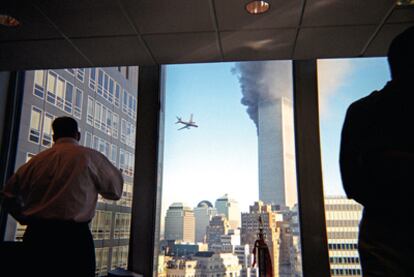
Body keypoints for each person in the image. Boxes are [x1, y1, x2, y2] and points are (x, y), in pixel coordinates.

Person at [2, 116, 124, 276]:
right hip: (74, 241)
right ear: (78, 135)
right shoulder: (89, 157)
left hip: (37, 238)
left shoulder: (35, 162)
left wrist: (22, 218)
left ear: (54, 136)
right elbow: (115, 191)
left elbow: (7, 196)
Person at [340, 26, 414, 276]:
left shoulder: (361, 111)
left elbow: (352, 184)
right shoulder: (363, 111)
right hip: (385, 243)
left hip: (382, 239)